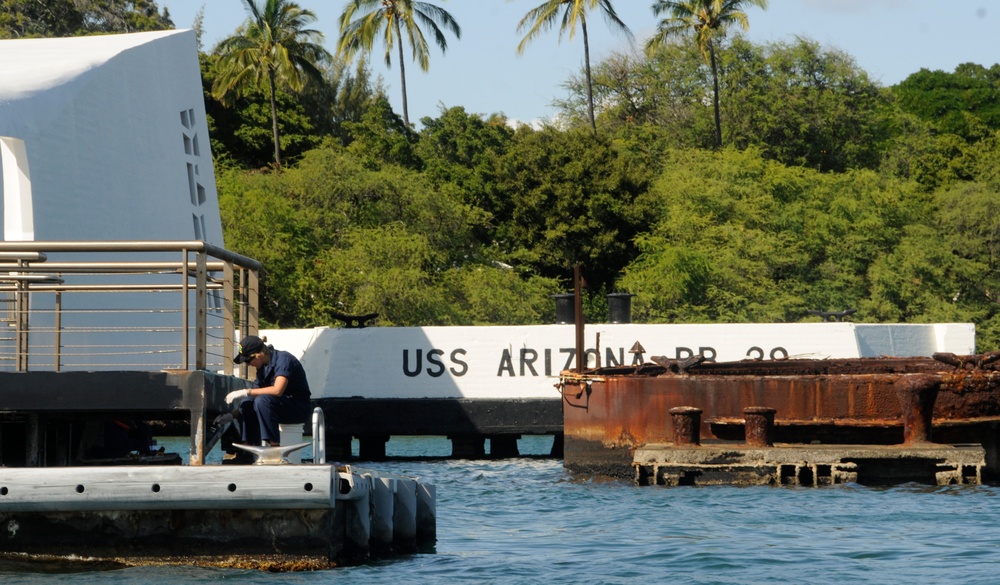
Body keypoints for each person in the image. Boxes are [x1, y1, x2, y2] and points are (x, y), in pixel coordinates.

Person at [226, 335, 312, 447]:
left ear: (259, 355)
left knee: (263, 400)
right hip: (276, 407)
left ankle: (274, 447)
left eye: (248, 360)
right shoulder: (262, 368)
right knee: (247, 402)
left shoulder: (284, 360)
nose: (247, 364)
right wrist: (231, 416)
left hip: (297, 408)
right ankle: (247, 450)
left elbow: (277, 390)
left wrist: (245, 391)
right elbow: (253, 395)